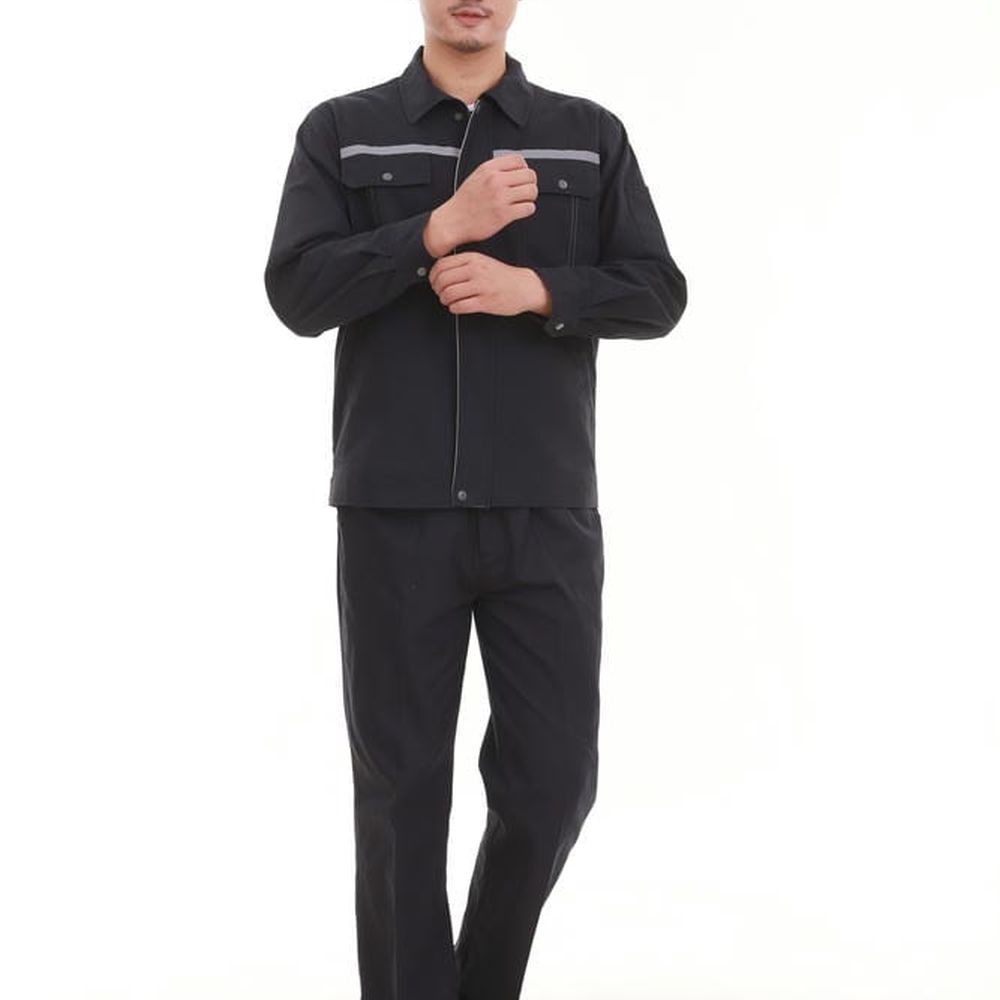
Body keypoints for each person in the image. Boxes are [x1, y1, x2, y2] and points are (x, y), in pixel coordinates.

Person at [263, 2, 687, 997]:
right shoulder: (342, 130)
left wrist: (537, 291)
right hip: (394, 511)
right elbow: (297, 293)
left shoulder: (586, 136)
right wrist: (432, 231)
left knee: (552, 784)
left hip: (545, 509)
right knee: (401, 796)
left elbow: (656, 292)